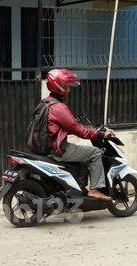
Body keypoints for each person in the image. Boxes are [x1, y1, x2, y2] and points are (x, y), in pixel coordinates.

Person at [44, 68, 114, 202]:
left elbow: (62, 127)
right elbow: (77, 129)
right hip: (58, 150)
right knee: (95, 152)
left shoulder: (46, 103)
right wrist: (98, 134)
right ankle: (94, 189)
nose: (69, 90)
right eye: (67, 87)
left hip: (48, 147)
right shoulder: (59, 107)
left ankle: (80, 187)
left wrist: (87, 130)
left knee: (82, 155)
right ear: (61, 87)